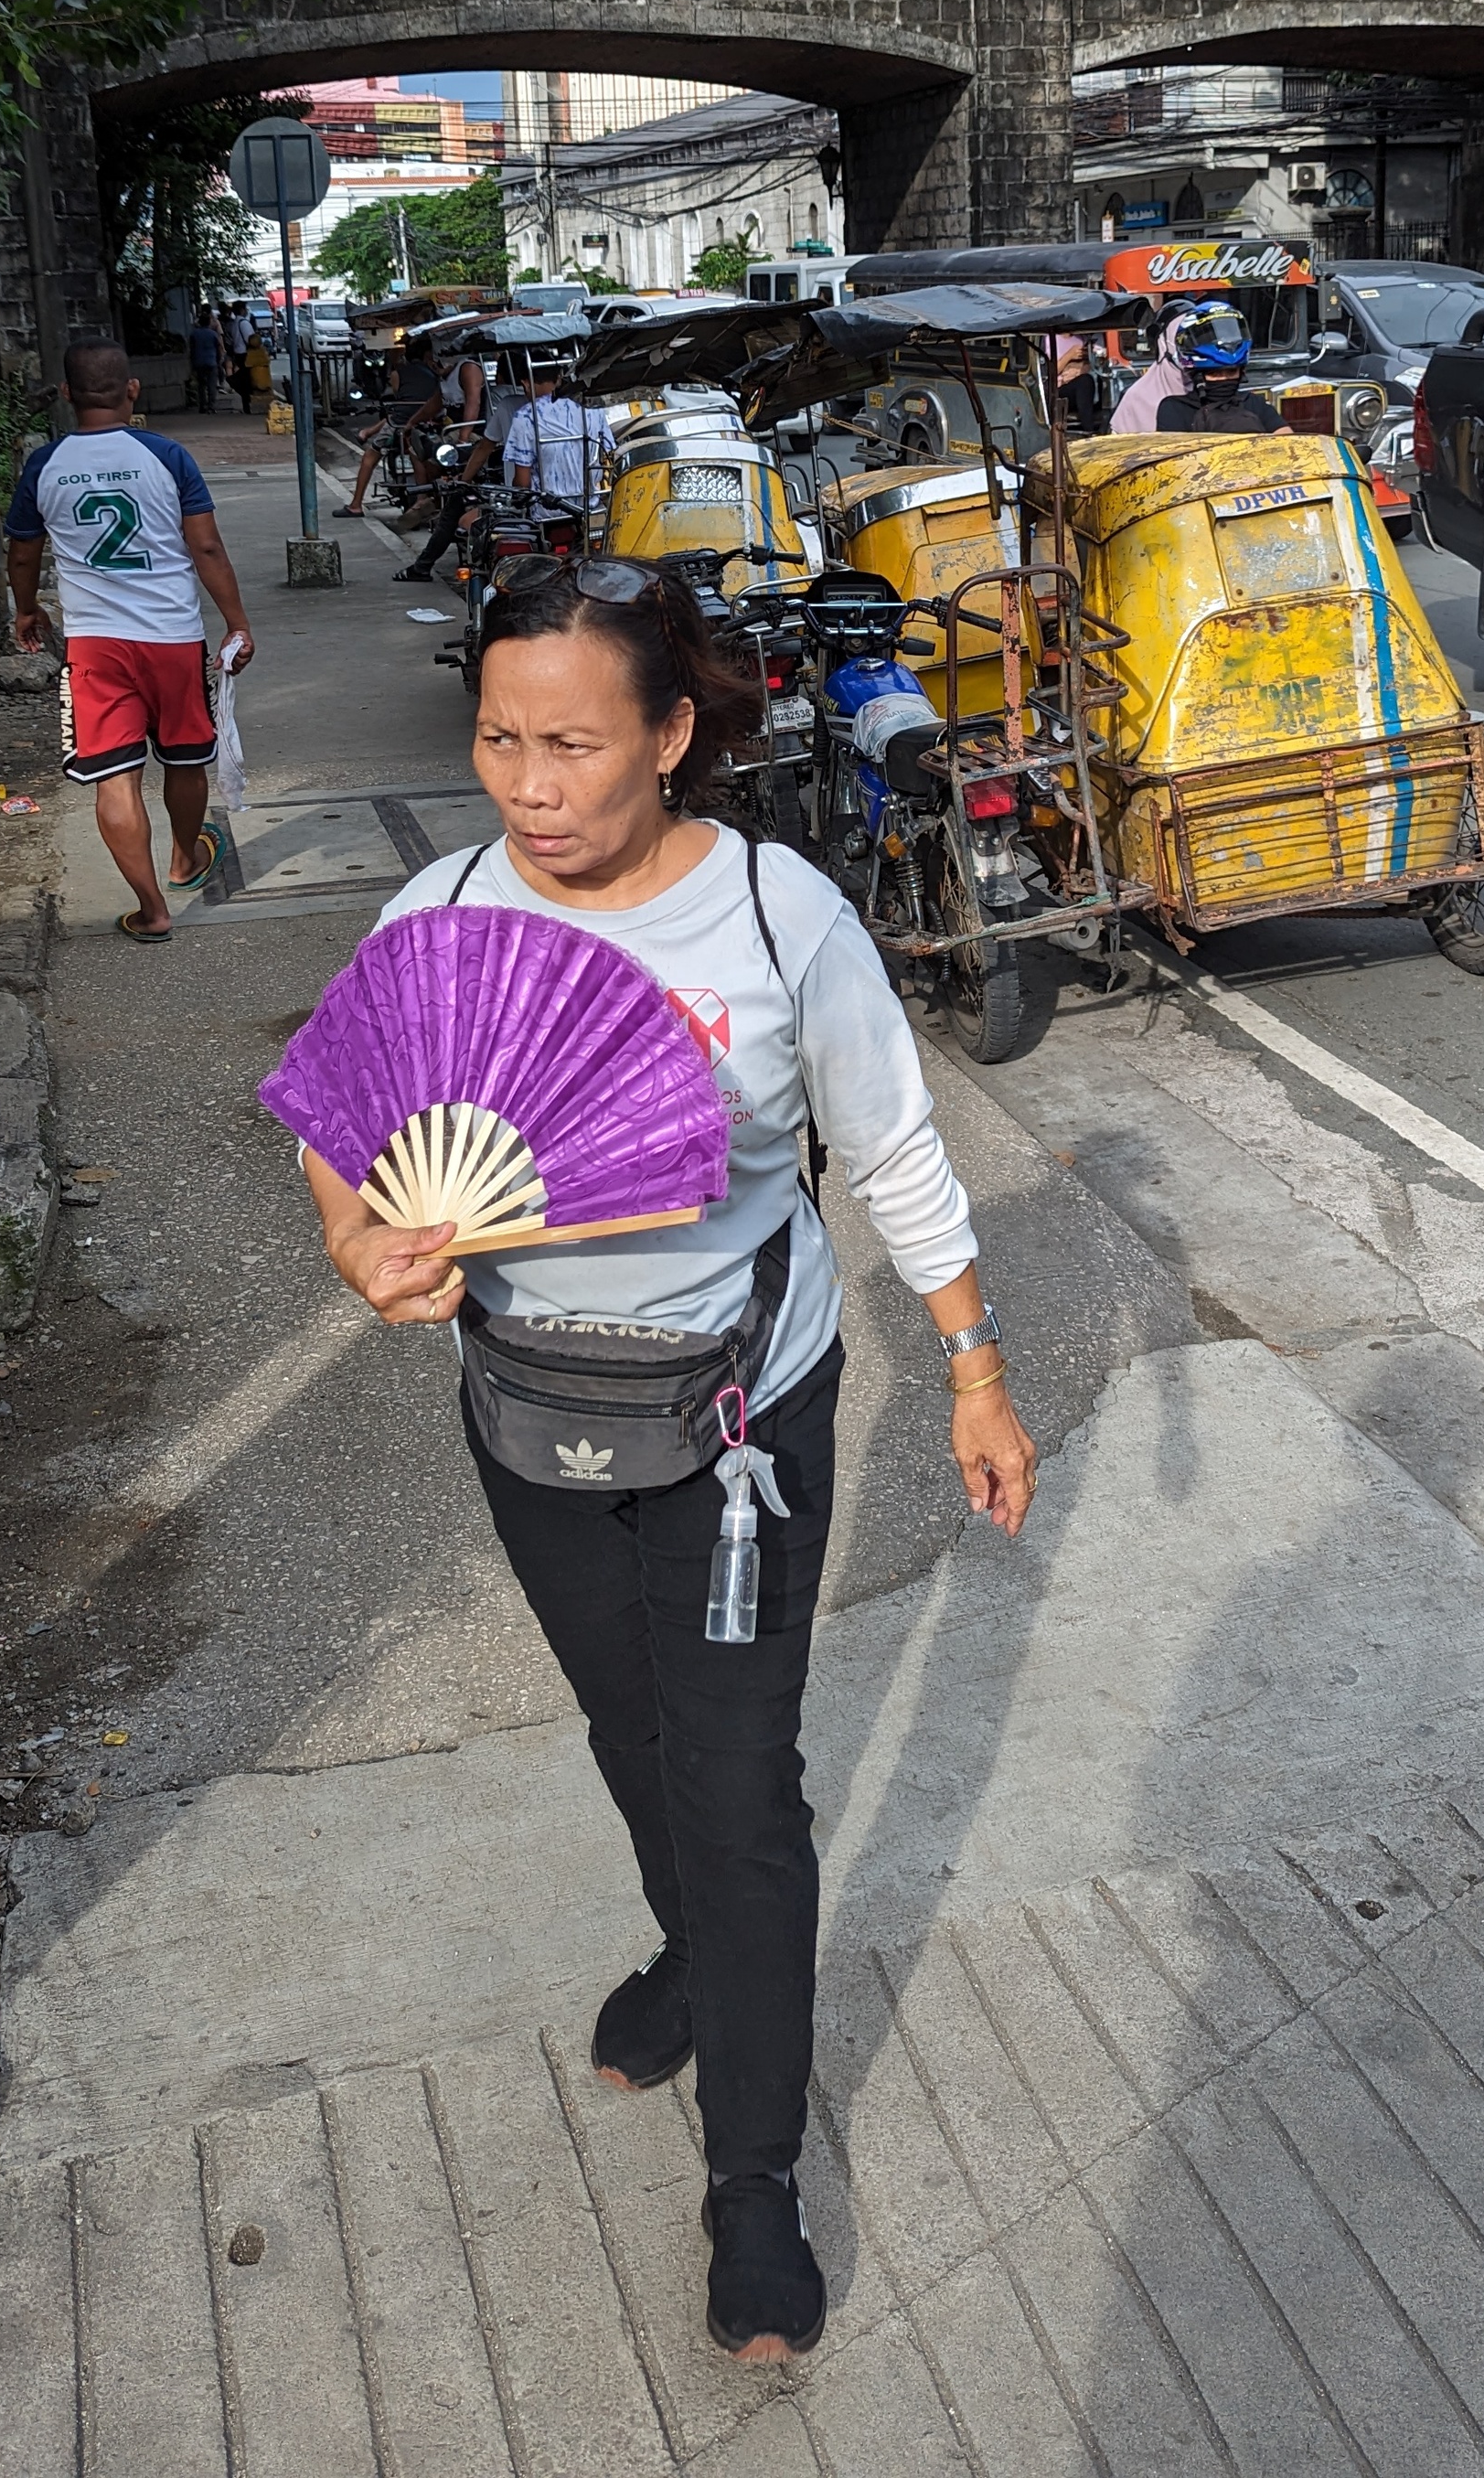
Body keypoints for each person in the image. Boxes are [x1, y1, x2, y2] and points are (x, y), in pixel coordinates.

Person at [304, 556, 1035, 2360]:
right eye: (499, 738)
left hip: (740, 1426)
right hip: (529, 1407)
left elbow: (892, 1151)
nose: (531, 786)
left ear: (674, 732)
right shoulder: (443, 907)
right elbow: (345, 1113)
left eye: (573, 743)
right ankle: (690, 1952)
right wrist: (359, 1241)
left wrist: (970, 1365)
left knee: (737, 1781)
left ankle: (755, 2183)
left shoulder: (781, 921)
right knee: (623, 1726)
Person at [5, 342, 255, 940]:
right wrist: (237, 622)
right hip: (172, 636)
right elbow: (208, 548)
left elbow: (21, 553)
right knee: (185, 757)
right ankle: (184, 858)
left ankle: (152, 910)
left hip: (96, 647)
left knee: (116, 778)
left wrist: (25, 608)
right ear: (132, 390)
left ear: (66, 395)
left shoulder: (44, 465)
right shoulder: (167, 456)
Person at [335, 334, 443, 518]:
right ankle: (422, 499)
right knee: (419, 456)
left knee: (370, 456)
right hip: (427, 422)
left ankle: (355, 505)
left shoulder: (397, 373)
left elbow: (397, 395)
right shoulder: (436, 374)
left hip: (401, 422)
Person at [1152, 303, 1283, 434]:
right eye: (1214, 373)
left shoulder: (1254, 403)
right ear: (1197, 375)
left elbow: (1287, 440)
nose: (1225, 379)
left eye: (1232, 372)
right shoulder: (1176, 409)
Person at [506, 367, 613, 519]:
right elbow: (608, 455)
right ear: (559, 378)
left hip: (546, 513)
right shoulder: (593, 407)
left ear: (526, 384)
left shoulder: (525, 416)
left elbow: (523, 483)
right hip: (590, 505)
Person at [1110, 297, 1200, 433]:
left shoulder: (1213, 387)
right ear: (1163, 343)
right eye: (1180, 338)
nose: (1189, 346)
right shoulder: (1137, 398)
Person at [188, 307, 223, 414]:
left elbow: (192, 349)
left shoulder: (194, 334)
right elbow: (218, 349)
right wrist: (218, 361)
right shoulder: (213, 334)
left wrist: (192, 362)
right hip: (211, 362)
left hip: (199, 362)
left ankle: (202, 406)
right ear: (209, 322)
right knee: (211, 385)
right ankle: (211, 406)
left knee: (201, 386)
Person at [223, 304, 256, 413]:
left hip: (238, 354)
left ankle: (246, 404)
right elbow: (250, 340)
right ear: (242, 310)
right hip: (245, 354)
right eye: (246, 309)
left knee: (243, 379)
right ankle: (248, 405)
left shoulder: (235, 323)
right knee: (248, 380)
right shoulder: (244, 323)